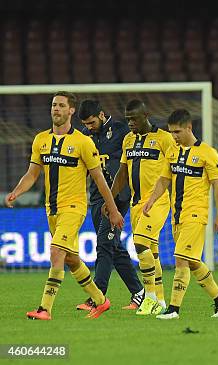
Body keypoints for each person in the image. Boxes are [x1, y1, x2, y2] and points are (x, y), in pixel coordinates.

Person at [5, 91, 124, 320]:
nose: (56, 109)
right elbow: (32, 174)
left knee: (56, 251)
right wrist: (17, 192)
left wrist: (114, 209)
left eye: (61, 105)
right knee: (70, 259)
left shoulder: (83, 142)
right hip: (52, 210)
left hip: (74, 208)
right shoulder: (41, 140)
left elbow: (99, 178)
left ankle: (44, 309)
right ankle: (100, 300)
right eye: (53, 105)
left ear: (71, 111)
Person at [143, 109, 218, 318]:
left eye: (177, 132)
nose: (174, 136)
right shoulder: (173, 151)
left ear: (189, 128)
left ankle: (173, 309)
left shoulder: (207, 153)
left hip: (196, 214)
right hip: (177, 215)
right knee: (192, 261)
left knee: (180, 259)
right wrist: (151, 200)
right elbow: (164, 179)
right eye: (171, 132)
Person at [104, 99, 175, 315]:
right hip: (136, 204)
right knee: (151, 252)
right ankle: (160, 300)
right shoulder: (128, 140)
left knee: (141, 243)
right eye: (127, 120)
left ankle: (149, 298)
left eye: (134, 118)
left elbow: (175, 169)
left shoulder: (164, 138)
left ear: (146, 116)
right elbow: (123, 173)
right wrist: (111, 199)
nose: (131, 123)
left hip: (157, 202)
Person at [76, 99, 144, 311]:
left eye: (92, 122)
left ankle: (97, 296)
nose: (89, 127)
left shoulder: (122, 131)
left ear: (102, 115)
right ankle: (139, 293)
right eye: (86, 124)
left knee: (104, 244)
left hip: (118, 196)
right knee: (114, 247)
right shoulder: (85, 137)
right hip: (96, 197)